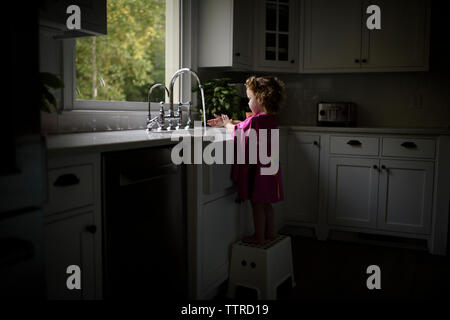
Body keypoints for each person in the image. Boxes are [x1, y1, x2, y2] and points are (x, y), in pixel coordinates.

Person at [207, 76, 285, 245]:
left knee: (257, 204)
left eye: (250, 98)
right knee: (267, 204)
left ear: (261, 99)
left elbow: (238, 130)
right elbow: (246, 124)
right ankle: (270, 233)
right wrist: (226, 122)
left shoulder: (257, 120)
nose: (248, 102)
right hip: (270, 169)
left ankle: (259, 237)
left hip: (259, 171)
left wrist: (227, 124)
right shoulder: (269, 118)